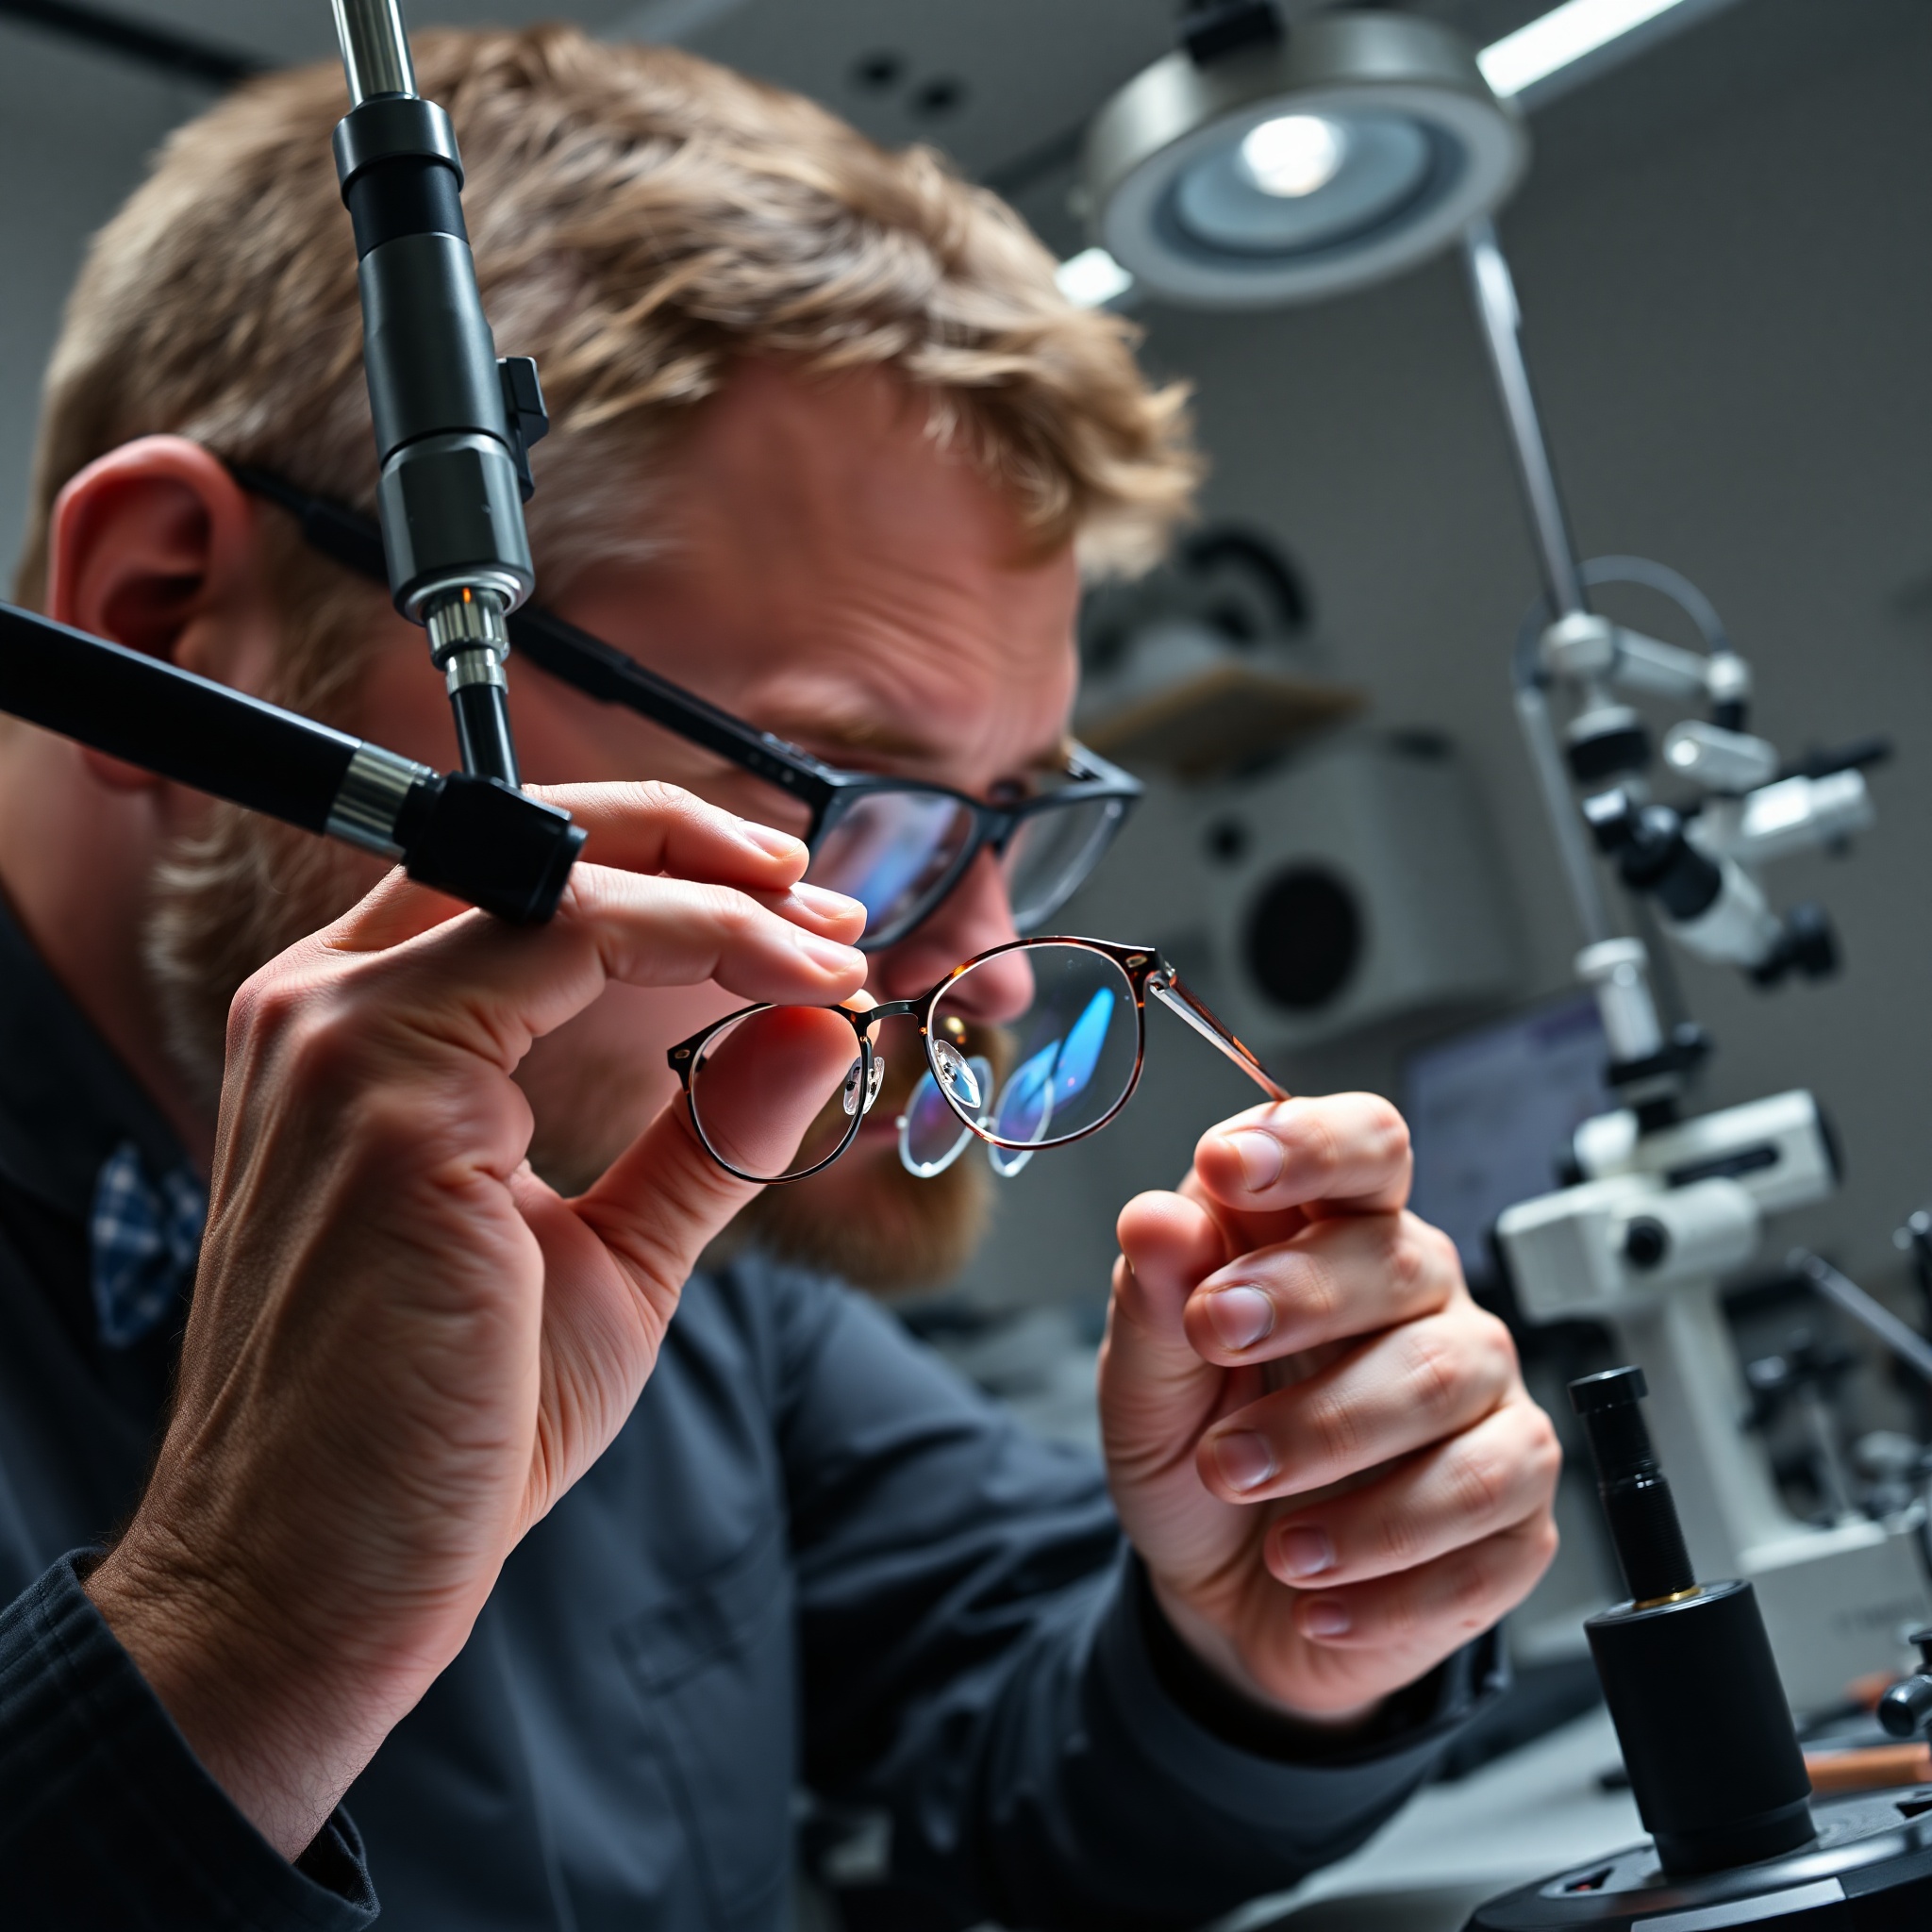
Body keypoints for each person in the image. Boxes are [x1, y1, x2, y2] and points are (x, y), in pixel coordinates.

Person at [0, 27, 1561, 1930]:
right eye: (850, 799)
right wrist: (231, 1644)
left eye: (1014, 820)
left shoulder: (670, 1264)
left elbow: (1030, 1742)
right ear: (172, 620)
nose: (980, 977)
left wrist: (1271, 1636)